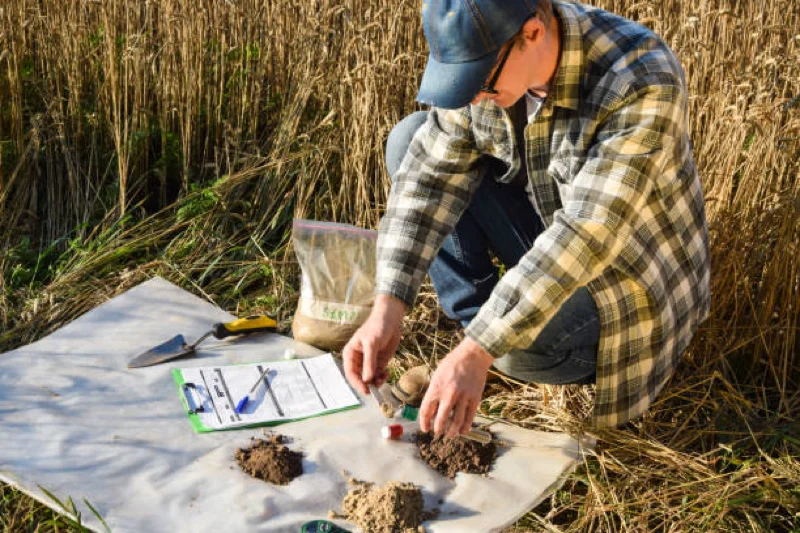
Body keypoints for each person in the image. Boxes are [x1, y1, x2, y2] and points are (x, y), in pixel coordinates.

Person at [343, 0, 710, 436]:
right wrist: (389, 303)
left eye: (478, 80)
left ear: (532, 34)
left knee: (511, 349)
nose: (473, 96)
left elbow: (585, 237)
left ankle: (485, 353)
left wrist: (483, 348)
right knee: (411, 140)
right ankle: (476, 328)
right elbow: (428, 175)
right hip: (547, 226)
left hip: (622, 281)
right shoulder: (493, 57)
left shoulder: (640, 78)